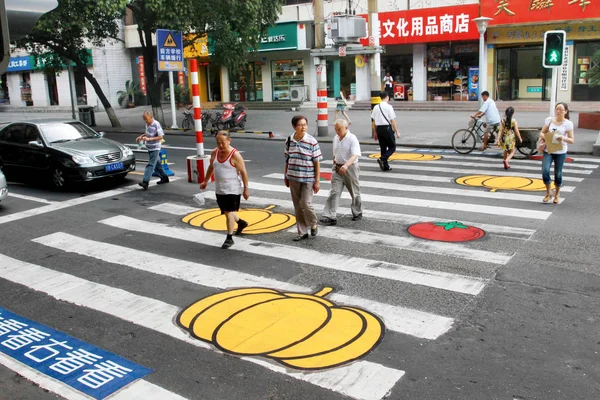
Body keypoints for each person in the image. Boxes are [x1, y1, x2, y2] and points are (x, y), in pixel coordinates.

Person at [200, 131, 250, 249]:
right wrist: (205, 181)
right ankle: (241, 223)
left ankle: (229, 238)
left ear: (229, 141)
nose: (221, 145)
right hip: (220, 189)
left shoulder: (235, 155)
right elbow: (211, 167)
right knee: (228, 211)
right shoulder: (214, 153)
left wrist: (246, 189)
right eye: (218, 143)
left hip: (232, 189)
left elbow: (243, 172)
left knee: (228, 212)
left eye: (223, 142)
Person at [284, 115, 322, 241]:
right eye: (300, 125)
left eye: (305, 124)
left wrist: (317, 181)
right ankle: (302, 232)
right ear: (294, 127)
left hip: (308, 178)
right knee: (297, 206)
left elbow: (317, 162)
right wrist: (286, 175)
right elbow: (287, 159)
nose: (303, 127)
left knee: (306, 203)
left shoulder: (312, 141)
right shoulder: (289, 140)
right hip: (293, 177)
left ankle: (313, 222)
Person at [320, 119, 362, 225]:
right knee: (334, 192)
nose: (337, 132)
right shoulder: (336, 138)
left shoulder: (352, 138)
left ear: (346, 128)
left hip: (350, 168)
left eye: (339, 129)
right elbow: (335, 152)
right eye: (335, 129)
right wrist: (335, 159)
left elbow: (355, 154)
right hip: (337, 168)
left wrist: (346, 165)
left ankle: (357, 212)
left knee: (354, 192)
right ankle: (330, 216)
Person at [538, 102, 575, 204]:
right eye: (557, 109)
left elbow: (572, 140)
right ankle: (548, 192)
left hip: (560, 151)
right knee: (545, 171)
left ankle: (557, 194)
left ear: (566, 112)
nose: (558, 111)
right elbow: (541, 132)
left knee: (558, 174)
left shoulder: (568, 124)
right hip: (548, 150)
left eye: (561, 109)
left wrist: (562, 138)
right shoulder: (549, 120)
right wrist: (548, 137)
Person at [136, 111, 169, 189]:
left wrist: (149, 139)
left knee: (151, 164)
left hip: (155, 147)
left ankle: (145, 181)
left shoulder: (156, 124)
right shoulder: (147, 124)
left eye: (146, 119)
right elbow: (147, 133)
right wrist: (141, 136)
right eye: (144, 119)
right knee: (157, 164)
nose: (145, 121)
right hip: (150, 147)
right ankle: (164, 177)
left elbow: (160, 137)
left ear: (151, 117)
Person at [371, 91, 400, 171]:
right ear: (387, 97)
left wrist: (375, 132)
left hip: (379, 129)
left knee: (383, 148)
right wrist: (396, 131)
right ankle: (382, 158)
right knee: (392, 147)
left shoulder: (376, 107)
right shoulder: (389, 107)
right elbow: (392, 120)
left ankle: (385, 166)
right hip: (387, 128)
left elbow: (374, 121)